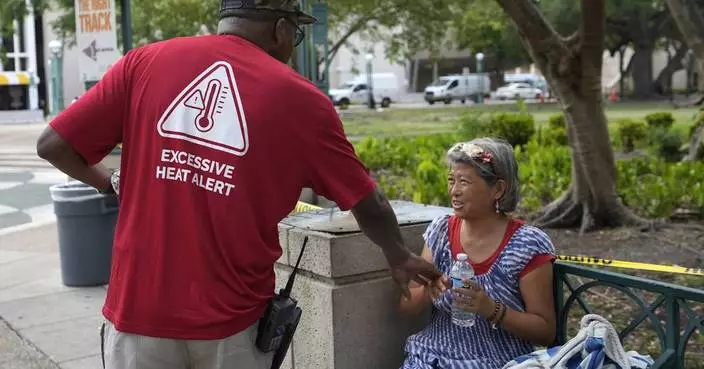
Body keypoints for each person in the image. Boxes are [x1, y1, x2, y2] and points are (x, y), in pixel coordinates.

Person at [36, 1, 445, 368]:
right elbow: (367, 200)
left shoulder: (144, 62)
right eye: (295, 33)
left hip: (137, 316)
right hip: (232, 325)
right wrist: (397, 255)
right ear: (281, 28)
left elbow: (54, 145)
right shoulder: (301, 100)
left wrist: (110, 183)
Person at [399, 138, 557, 369]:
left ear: (498, 189)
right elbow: (405, 306)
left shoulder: (526, 244)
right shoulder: (441, 231)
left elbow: (545, 332)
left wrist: (490, 309)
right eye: (451, 180)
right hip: (428, 358)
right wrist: (427, 291)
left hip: (494, 363)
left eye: (465, 182)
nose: (454, 191)